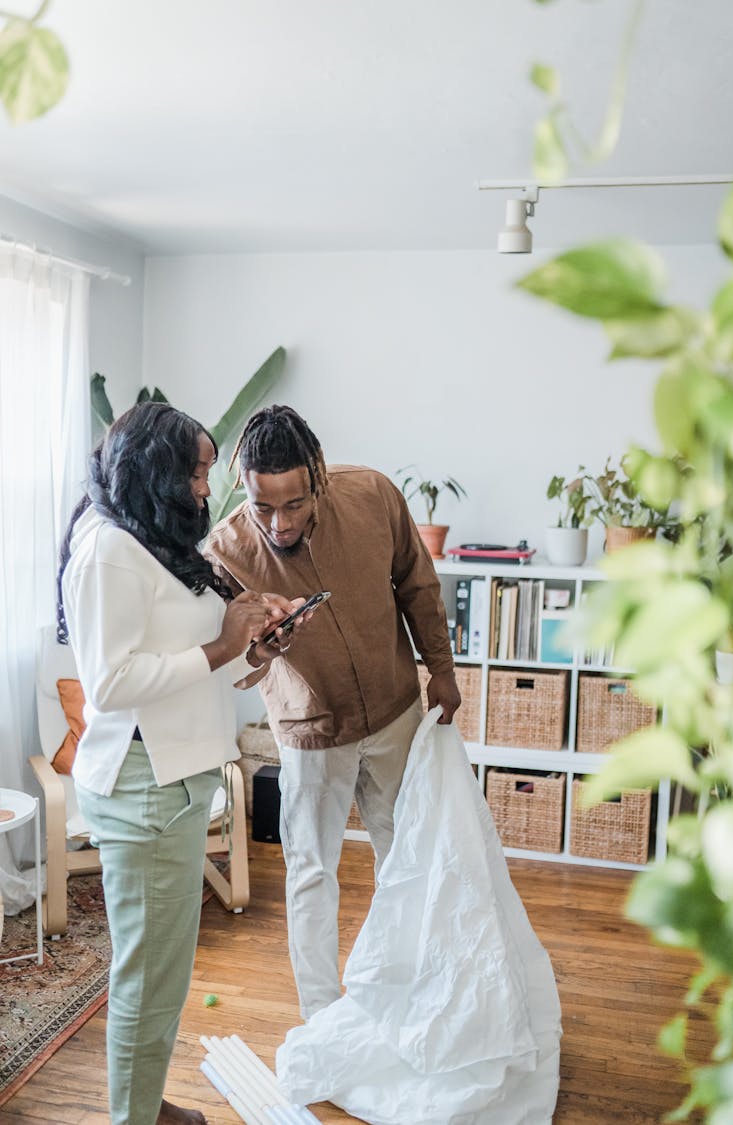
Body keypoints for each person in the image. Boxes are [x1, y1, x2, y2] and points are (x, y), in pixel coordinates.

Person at [57, 402, 303, 1125]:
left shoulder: (151, 536)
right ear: (153, 470)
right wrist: (225, 646)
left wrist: (252, 649)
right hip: (145, 787)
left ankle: (145, 1101)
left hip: (174, 779)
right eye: (195, 473)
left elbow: (186, 663)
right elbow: (111, 683)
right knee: (148, 976)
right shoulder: (107, 548)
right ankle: (132, 1117)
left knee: (163, 972)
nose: (205, 488)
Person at [203, 403, 461, 1020]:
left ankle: (403, 992)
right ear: (243, 483)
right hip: (310, 734)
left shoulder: (372, 493)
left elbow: (418, 585)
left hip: (396, 711)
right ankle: (321, 1016)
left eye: (293, 503)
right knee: (311, 872)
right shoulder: (225, 550)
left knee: (405, 855)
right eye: (263, 505)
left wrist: (443, 670)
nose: (278, 522)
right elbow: (237, 666)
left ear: (316, 475)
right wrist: (264, 647)